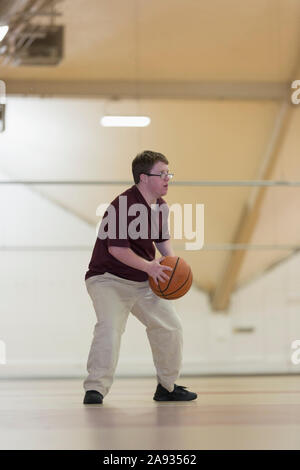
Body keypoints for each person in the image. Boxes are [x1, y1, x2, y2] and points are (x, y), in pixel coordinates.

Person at [83, 150, 197, 404]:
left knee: (171, 326)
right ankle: (95, 388)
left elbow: (163, 241)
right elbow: (117, 249)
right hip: (108, 279)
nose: (168, 178)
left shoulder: (161, 207)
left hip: (143, 279)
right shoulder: (122, 205)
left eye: (169, 173)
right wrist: (150, 268)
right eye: (162, 174)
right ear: (144, 178)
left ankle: (167, 387)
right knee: (110, 328)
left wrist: (172, 266)